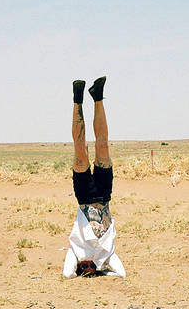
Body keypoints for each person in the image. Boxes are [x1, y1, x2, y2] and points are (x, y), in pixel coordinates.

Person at [62, 76, 126, 278]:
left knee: (80, 149)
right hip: (104, 194)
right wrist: (102, 272)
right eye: (90, 269)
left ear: (79, 267)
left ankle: (77, 99)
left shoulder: (76, 251)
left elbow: (67, 274)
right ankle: (98, 96)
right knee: (103, 144)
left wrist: (78, 271)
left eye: (84, 269)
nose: (87, 268)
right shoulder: (105, 255)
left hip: (84, 196)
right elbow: (121, 273)